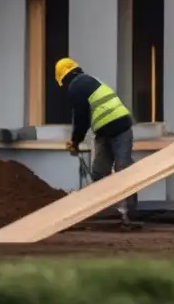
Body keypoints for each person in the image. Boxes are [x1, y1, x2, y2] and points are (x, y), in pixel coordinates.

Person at [55, 57, 138, 224]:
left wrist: (75, 141)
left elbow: (81, 118)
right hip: (110, 130)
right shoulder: (89, 80)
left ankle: (128, 213)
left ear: (63, 77)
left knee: (121, 169)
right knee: (104, 171)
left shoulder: (76, 86)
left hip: (118, 129)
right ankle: (109, 211)